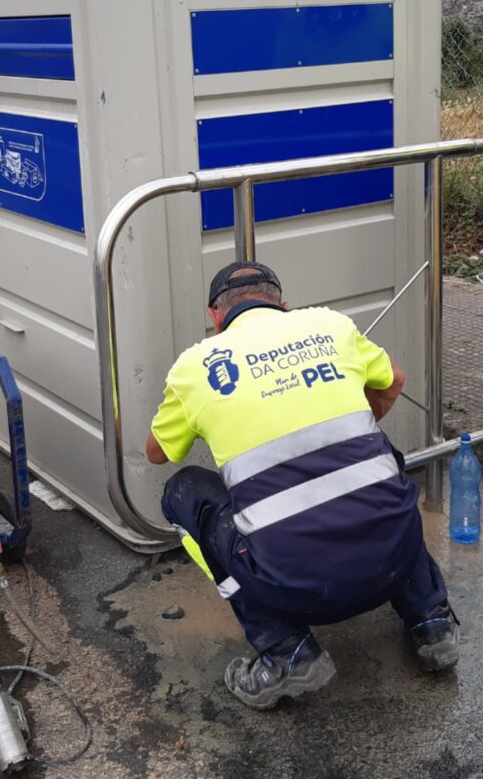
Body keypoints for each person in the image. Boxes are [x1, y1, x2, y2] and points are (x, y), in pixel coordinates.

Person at [145, 261, 458, 710]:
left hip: (295, 588)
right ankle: (432, 621)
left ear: (215, 317)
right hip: (397, 559)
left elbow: (158, 453)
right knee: (377, 457)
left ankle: (286, 652)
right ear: (284, 306)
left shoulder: (196, 366)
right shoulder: (330, 325)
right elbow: (395, 382)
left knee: (183, 492)